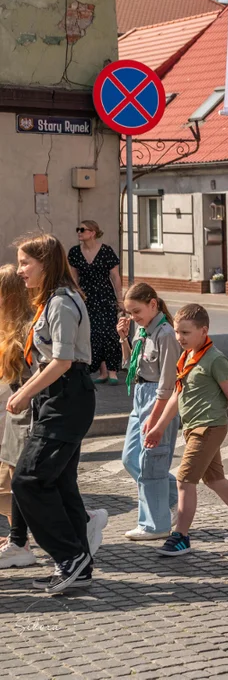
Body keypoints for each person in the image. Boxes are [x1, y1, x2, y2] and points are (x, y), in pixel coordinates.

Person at [8, 234, 98, 593]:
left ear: (45, 262)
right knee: (60, 484)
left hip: (67, 396)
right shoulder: (51, 300)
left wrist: (23, 395)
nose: (20, 270)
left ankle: (69, 556)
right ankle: (78, 564)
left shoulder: (61, 302)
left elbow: (62, 361)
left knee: (27, 480)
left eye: (25, 262)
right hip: (58, 397)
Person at [144, 304, 228, 556]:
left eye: (185, 333)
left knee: (185, 480)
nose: (179, 337)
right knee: (214, 478)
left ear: (203, 331)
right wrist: (158, 428)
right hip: (193, 428)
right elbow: (177, 395)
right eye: (177, 332)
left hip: (209, 427)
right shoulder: (186, 357)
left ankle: (181, 536)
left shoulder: (215, 359)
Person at [117, 283, 181, 540]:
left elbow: (168, 382)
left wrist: (155, 421)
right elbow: (131, 366)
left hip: (158, 400)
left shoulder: (165, 333)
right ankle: (173, 498)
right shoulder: (142, 330)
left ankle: (155, 525)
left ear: (153, 304)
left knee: (151, 463)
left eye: (137, 311)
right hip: (140, 397)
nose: (133, 317)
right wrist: (123, 338)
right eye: (129, 313)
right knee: (131, 458)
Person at [0, 264, 36, 569]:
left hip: (18, 413)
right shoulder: (8, 324)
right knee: (9, 480)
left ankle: (84, 521)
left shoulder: (25, 325)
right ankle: (17, 540)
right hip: (9, 411)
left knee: (11, 481)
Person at [68, 220, 122, 384]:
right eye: (78, 229)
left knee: (110, 333)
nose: (79, 232)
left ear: (92, 232)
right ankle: (102, 371)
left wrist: (120, 298)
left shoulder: (106, 251)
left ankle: (113, 371)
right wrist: (75, 296)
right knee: (93, 334)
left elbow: (115, 276)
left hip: (105, 297)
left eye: (82, 230)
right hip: (86, 298)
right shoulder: (75, 252)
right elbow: (74, 277)